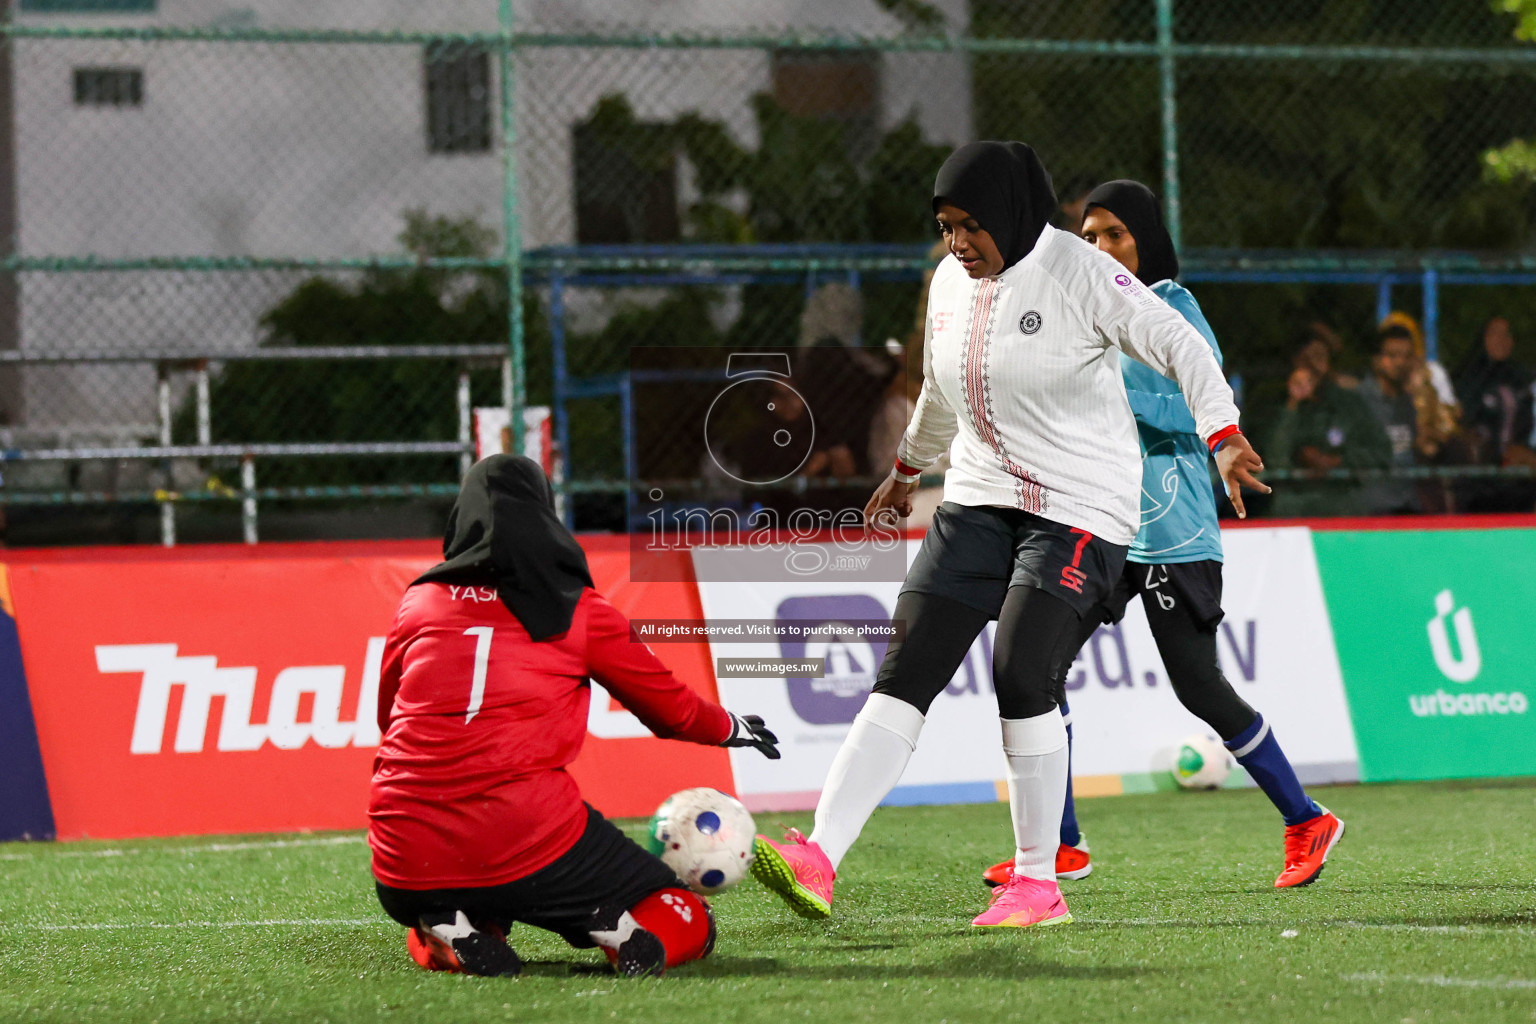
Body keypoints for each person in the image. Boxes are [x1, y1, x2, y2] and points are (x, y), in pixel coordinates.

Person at [750, 142, 1266, 930]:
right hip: (980, 497)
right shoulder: (951, 281)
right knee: (909, 663)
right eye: (946, 226)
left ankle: (1037, 883)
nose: (958, 243)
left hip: (1081, 507)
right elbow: (941, 385)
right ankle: (819, 856)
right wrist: (907, 468)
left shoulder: (1083, 273)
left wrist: (1222, 435)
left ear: (1014, 215)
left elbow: (1182, 346)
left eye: (971, 226)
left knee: (1023, 671)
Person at [973, 180, 1343, 892]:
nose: (1100, 248)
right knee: (1034, 671)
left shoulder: (1172, 307)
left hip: (1173, 533)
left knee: (1199, 686)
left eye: (1115, 233)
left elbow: (1187, 404)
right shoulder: (1079, 312)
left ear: (1145, 238)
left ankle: (1306, 819)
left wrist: (1100, 392)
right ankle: (1060, 846)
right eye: (1087, 237)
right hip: (1100, 527)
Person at [368, 455, 780, 977]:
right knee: (688, 916)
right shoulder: (578, 609)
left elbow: (389, 718)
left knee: (463, 895)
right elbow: (670, 710)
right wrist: (733, 728)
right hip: (529, 838)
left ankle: (444, 931)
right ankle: (617, 928)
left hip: (401, 856)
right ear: (546, 517)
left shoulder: (420, 601)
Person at [1251, 340, 1391, 517]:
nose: (1312, 366)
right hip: (1293, 503)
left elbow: (1382, 453)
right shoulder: (1274, 403)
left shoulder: (1349, 404)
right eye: (1306, 359)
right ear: (1295, 363)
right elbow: (1273, 459)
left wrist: (1336, 461)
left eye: (1318, 358)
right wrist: (1292, 404)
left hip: (1341, 501)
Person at [1454, 316, 1536, 512]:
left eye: (1506, 335)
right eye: (1494, 334)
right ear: (1483, 338)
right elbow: (1463, 423)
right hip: (1480, 478)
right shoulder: (1467, 378)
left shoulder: (1521, 378)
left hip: (1519, 472)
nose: (1501, 340)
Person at [1357, 323, 1422, 514]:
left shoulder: (1409, 401)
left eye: (1406, 356)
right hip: (1373, 507)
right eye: (1392, 355)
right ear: (1376, 360)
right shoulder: (1360, 400)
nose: (1400, 362)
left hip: (1408, 504)